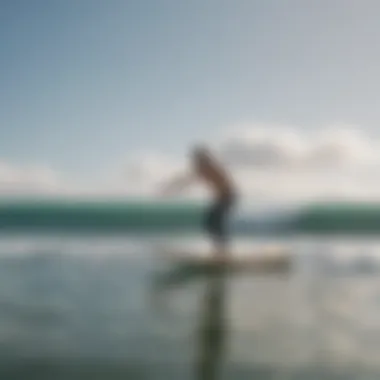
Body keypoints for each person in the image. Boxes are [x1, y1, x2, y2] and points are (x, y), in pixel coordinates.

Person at [160, 146, 236, 258]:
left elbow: (192, 178)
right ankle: (221, 250)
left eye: (197, 159)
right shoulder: (206, 167)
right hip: (223, 198)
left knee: (212, 222)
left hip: (227, 197)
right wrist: (174, 188)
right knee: (211, 223)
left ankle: (222, 252)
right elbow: (189, 179)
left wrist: (175, 187)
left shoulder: (209, 167)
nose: (194, 162)